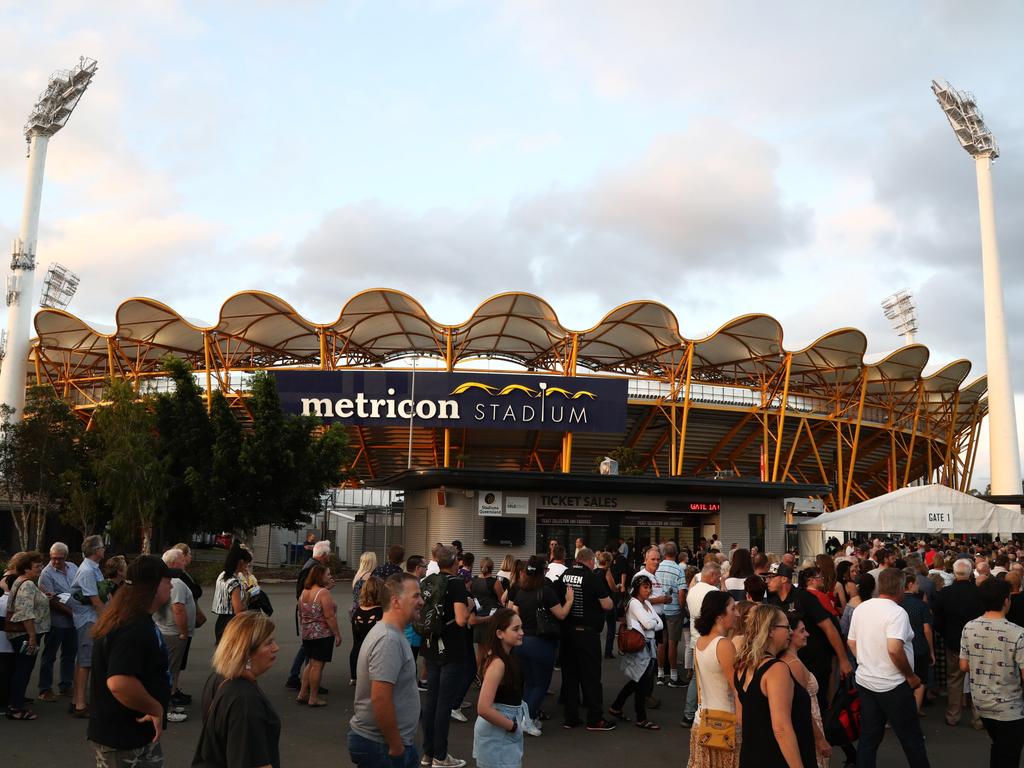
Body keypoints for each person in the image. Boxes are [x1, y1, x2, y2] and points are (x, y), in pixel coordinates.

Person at [87, 555, 173, 768]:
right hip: (124, 738)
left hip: (132, 735)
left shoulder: (131, 618)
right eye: (167, 580)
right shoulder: (134, 627)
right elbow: (119, 682)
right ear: (152, 585)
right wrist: (155, 708)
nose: (171, 585)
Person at [846, 567, 930, 768]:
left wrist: (867, 661)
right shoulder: (897, 612)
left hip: (866, 681)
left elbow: (851, 642)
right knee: (911, 739)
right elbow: (894, 649)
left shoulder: (862, 608)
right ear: (901, 588)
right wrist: (910, 676)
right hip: (894, 684)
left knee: (869, 738)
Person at [348, 573, 424, 768]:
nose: (422, 601)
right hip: (381, 746)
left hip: (388, 744)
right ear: (396, 602)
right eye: (415, 596)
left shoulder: (393, 635)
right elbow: (380, 698)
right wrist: (396, 746)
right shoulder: (388, 640)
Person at [193, 610, 282, 768]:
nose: (276, 648)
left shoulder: (219, 677)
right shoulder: (245, 700)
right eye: (268, 643)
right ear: (247, 652)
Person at [734, 604, 815, 768]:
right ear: (770, 630)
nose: (790, 632)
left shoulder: (742, 666)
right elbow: (781, 728)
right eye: (786, 627)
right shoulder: (776, 669)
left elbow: (741, 716)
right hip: (778, 758)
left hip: (752, 755)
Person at [766, 562, 852, 712]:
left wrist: (843, 660)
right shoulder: (773, 600)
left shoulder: (804, 597)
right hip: (789, 660)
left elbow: (829, 627)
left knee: (817, 704)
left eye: (771, 577)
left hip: (814, 660)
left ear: (784, 579)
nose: (767, 581)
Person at [958, 577, 1024, 767]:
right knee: (1009, 753)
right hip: (1009, 706)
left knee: (999, 747)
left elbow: (963, 666)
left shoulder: (969, 627)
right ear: (1006, 600)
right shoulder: (1017, 632)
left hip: (981, 701)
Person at [507, 555, 573, 735]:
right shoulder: (546, 591)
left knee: (529, 683)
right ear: (542, 572)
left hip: (522, 642)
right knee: (540, 684)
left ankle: (525, 717)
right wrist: (569, 601)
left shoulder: (520, 592)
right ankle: (528, 720)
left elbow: (513, 615)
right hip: (542, 643)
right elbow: (560, 614)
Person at [421, 544, 471, 768]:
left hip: (430, 644)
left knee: (431, 699)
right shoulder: (457, 583)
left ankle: (428, 752)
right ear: (454, 562)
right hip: (451, 647)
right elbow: (461, 619)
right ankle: (441, 756)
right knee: (444, 703)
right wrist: (471, 606)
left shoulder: (427, 581)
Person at [557, 547, 615, 731]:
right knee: (591, 677)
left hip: (567, 633)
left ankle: (570, 718)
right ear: (590, 561)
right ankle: (594, 719)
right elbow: (607, 604)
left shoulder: (565, 575)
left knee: (570, 676)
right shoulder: (592, 578)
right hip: (587, 634)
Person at [687, 590, 739, 768]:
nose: (737, 613)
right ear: (719, 616)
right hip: (725, 724)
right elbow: (736, 689)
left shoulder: (701, 641)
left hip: (703, 721)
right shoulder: (724, 645)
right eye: (732, 609)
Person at [932, 558, 983, 728]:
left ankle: (953, 715)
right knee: (978, 679)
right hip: (977, 641)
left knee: (954, 679)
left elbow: (937, 619)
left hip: (953, 641)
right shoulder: (979, 593)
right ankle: (978, 718)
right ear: (970, 573)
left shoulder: (945, 593)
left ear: (954, 573)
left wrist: (944, 634)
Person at [472, 608, 527, 768]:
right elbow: (483, 708)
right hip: (497, 731)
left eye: (521, 627)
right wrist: (512, 726)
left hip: (501, 729)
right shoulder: (498, 663)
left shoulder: (506, 657)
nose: (521, 632)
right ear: (500, 633)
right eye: (516, 629)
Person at [609, 575, 663, 730]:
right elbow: (649, 623)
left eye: (649, 587)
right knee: (641, 682)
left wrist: (652, 624)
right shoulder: (634, 604)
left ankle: (616, 706)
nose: (648, 590)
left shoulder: (645, 602)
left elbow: (658, 623)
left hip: (647, 645)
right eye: (645, 587)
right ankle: (641, 718)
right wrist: (652, 623)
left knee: (638, 680)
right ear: (637, 588)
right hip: (639, 646)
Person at [779, 615, 833, 768]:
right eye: (802, 631)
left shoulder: (790, 659)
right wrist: (820, 739)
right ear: (790, 634)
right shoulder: (793, 664)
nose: (807, 634)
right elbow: (800, 706)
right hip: (808, 728)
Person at [153, 548, 196, 723]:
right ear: (172, 564)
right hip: (173, 633)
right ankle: (165, 708)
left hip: (169, 631)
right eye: (181, 560)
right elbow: (178, 608)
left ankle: (169, 700)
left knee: (172, 669)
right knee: (168, 671)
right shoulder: (176, 582)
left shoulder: (173, 580)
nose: (185, 562)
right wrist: (184, 632)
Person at [5, 550, 49, 721]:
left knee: (21, 669)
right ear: (26, 569)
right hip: (24, 634)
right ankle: (16, 707)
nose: (40, 569)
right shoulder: (28, 584)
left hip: (22, 633)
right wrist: (31, 637)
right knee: (23, 669)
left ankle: (15, 703)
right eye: (37, 566)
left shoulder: (21, 581)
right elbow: (25, 613)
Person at [286, 539, 333, 690]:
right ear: (323, 555)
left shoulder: (310, 564)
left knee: (307, 647)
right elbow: (311, 590)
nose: (330, 557)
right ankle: (309, 683)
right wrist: (326, 588)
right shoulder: (314, 567)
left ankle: (296, 678)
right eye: (328, 554)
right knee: (312, 651)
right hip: (312, 611)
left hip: (307, 609)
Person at [70, 534, 106, 718]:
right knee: (85, 662)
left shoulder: (94, 568)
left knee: (83, 661)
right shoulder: (87, 571)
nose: (104, 549)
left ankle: (77, 700)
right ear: (95, 550)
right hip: (88, 620)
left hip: (90, 619)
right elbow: (95, 600)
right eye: (102, 546)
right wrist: (108, 621)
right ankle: (81, 705)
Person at [682, 562, 722, 728]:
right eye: (718, 576)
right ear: (712, 576)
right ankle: (695, 712)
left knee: (697, 678)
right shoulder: (714, 592)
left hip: (695, 638)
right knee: (710, 678)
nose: (719, 579)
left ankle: (689, 713)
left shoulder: (693, 591)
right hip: (710, 639)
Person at [37, 542, 78, 703]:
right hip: (57, 622)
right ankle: (44, 688)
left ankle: (66, 685)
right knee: (49, 656)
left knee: (69, 655)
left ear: (66, 557)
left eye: (59, 559)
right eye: (53, 558)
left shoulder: (73, 567)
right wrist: (72, 613)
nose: (55, 561)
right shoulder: (46, 574)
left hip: (73, 622)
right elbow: (51, 600)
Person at [298, 563, 342, 706]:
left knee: (310, 664)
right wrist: (337, 634)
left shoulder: (304, 592)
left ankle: (303, 693)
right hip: (322, 634)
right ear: (320, 576)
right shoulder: (323, 593)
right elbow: (329, 616)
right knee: (317, 666)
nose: (330, 577)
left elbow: (301, 614)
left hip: (307, 633)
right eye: (328, 574)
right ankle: (313, 697)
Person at [900, 568, 935, 716]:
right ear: (911, 584)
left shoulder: (897, 604)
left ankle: (903, 713)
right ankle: (915, 710)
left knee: (902, 681)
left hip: (901, 647)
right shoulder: (921, 605)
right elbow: (927, 629)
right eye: (916, 583)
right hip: (919, 646)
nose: (918, 586)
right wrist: (931, 650)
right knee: (920, 681)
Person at [656, 542, 687, 687]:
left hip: (660, 610)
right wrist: (682, 609)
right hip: (674, 611)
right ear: (676, 553)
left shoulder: (657, 567)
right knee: (672, 645)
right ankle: (674, 676)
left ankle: (661, 674)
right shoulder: (679, 570)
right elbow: (681, 594)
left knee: (661, 643)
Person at [211, 543, 252, 644]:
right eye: (247, 563)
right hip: (232, 622)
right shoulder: (234, 582)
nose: (247, 567)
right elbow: (238, 610)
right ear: (241, 562)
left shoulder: (222, 575)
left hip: (221, 621)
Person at [470, 558, 503, 670]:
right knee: (490, 648)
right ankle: (482, 672)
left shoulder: (473, 580)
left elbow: (470, 596)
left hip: (477, 615)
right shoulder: (495, 582)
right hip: (490, 617)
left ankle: (478, 672)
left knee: (481, 649)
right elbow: (502, 600)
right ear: (492, 568)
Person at [351, 575, 384, 684]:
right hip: (375, 656)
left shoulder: (357, 612)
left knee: (356, 644)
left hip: (358, 654)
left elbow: (356, 639)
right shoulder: (382, 612)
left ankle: (354, 676)